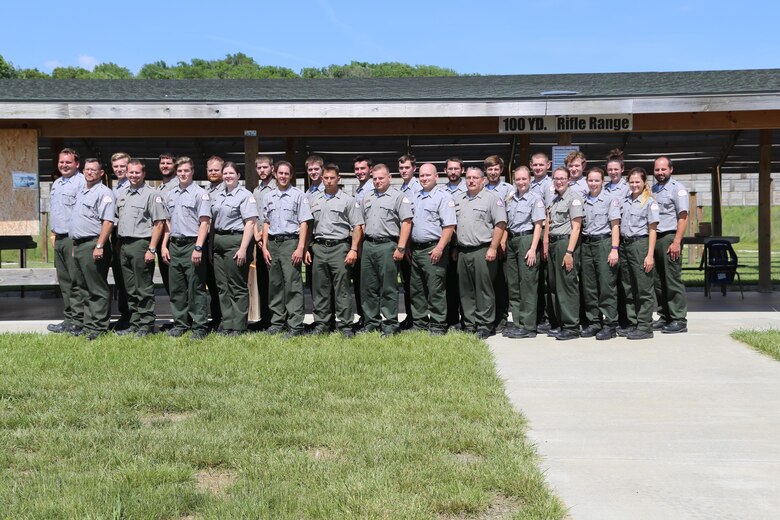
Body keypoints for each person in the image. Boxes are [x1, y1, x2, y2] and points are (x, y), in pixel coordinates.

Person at [305, 163, 364, 337]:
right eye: (326, 178)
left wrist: (353, 249)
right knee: (320, 288)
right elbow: (309, 226)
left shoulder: (348, 200)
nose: (329, 181)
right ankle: (323, 323)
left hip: (340, 247)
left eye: (332, 178)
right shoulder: (314, 200)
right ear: (321, 179)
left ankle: (345, 324)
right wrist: (307, 248)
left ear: (339, 179)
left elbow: (357, 226)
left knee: (342, 288)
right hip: (319, 247)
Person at [114, 159, 168, 337]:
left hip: (141, 244)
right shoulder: (123, 194)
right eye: (131, 172)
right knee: (130, 288)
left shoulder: (152, 194)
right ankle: (134, 323)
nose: (133, 175)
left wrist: (151, 249)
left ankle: (146, 324)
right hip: (124, 245)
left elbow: (159, 223)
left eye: (137, 172)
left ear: (144, 174)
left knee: (143, 287)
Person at [359, 163, 413, 336]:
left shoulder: (398, 196)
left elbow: (406, 222)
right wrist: (359, 247)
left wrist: (401, 247)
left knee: (388, 287)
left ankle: (390, 325)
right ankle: (371, 323)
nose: (377, 181)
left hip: (388, 246)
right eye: (374, 178)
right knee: (368, 287)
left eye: (381, 178)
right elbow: (361, 224)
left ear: (389, 177)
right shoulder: (367, 197)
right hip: (369, 245)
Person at [161, 156, 211, 340]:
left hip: (192, 244)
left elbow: (204, 223)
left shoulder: (200, 194)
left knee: (195, 287)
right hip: (175, 245)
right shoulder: (170, 194)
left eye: (186, 171)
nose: (183, 174)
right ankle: (180, 324)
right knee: (177, 288)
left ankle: (199, 326)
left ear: (192, 172)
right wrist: (164, 245)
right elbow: (167, 222)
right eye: (180, 171)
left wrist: (198, 247)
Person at [453, 166, 507, 339]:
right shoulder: (458, 199)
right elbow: (454, 226)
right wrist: (455, 247)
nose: (471, 180)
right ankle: (469, 323)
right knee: (466, 290)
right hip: (463, 251)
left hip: (483, 250)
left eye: (475, 178)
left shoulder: (492, 199)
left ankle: (485, 325)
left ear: (483, 180)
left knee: (484, 290)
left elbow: (500, 224)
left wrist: (493, 247)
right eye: (468, 177)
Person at [260, 160, 312, 337]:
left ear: (291, 175)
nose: (283, 176)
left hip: (291, 243)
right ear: (275, 173)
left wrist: (300, 247)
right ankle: (277, 322)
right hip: (273, 244)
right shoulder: (268, 196)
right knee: (275, 285)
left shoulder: (299, 195)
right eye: (280, 173)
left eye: (286, 173)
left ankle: (295, 325)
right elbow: (266, 222)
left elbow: (304, 222)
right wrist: (264, 247)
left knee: (292, 285)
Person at [69, 158, 116, 340]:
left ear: (101, 173)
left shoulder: (104, 193)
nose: (89, 172)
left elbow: (108, 222)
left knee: (97, 287)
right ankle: (88, 324)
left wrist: (99, 245)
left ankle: (99, 326)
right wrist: (75, 245)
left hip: (93, 244)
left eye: (93, 170)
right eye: (87, 170)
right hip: (80, 245)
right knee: (84, 286)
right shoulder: (82, 192)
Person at [211, 161, 258, 336]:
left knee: (237, 285)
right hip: (218, 241)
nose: (228, 176)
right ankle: (228, 323)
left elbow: (250, 223)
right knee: (222, 286)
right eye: (225, 173)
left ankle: (239, 326)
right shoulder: (218, 195)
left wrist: (243, 248)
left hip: (235, 241)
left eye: (231, 173)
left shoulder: (245, 196)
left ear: (238, 176)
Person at [409, 163, 456, 335]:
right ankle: (420, 323)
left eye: (428, 175)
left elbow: (449, 225)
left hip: (434, 249)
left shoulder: (443, 197)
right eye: (421, 175)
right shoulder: (416, 196)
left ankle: (438, 325)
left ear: (436, 177)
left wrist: (440, 248)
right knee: (417, 289)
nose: (424, 178)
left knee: (435, 289)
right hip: (416, 250)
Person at [502, 166, 545, 339]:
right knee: (513, 284)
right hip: (513, 240)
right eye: (517, 179)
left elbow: (538, 225)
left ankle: (528, 326)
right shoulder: (511, 198)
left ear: (530, 179)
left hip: (527, 240)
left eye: (524, 179)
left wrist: (533, 248)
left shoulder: (535, 199)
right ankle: (518, 322)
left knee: (527, 283)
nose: (521, 182)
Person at [47, 148, 86, 334]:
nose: (64, 165)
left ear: (76, 164)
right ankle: (69, 318)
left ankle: (79, 321)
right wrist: (53, 235)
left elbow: (82, 214)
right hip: (60, 238)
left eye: (68, 162)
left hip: (73, 239)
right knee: (64, 281)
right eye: (61, 162)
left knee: (76, 280)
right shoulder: (57, 184)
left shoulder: (82, 183)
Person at [580, 167, 622, 340]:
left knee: (606, 285)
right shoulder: (583, 200)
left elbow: (615, 226)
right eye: (590, 180)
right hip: (587, 244)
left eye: (597, 180)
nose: (593, 183)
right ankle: (594, 322)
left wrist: (614, 249)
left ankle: (610, 324)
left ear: (602, 181)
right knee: (589, 286)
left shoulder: (610, 200)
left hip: (604, 243)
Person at [620, 167, 660, 340]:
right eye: (632, 181)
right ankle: (633, 322)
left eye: (638, 182)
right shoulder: (625, 201)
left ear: (644, 183)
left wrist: (650, 254)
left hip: (640, 245)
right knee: (628, 287)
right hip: (625, 245)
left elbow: (653, 230)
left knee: (643, 287)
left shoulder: (650, 202)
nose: (634, 185)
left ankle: (645, 326)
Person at [545, 166, 583, 341]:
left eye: (562, 178)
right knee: (554, 285)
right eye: (556, 178)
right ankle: (561, 323)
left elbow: (576, 228)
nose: (558, 181)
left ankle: (571, 326)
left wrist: (569, 252)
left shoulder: (573, 199)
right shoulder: (554, 200)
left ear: (569, 180)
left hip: (564, 244)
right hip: (554, 244)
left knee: (567, 285)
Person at [651, 156, 689, 334]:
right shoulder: (653, 189)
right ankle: (664, 315)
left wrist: (676, 241)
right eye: (657, 170)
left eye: (663, 169)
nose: (660, 173)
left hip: (669, 237)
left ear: (671, 170)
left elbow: (683, 217)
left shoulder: (678, 189)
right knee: (658, 280)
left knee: (672, 279)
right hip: (655, 238)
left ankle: (679, 319)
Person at [483, 155, 511, 331]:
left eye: (496, 169)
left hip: (502, 240)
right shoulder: (481, 188)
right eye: (489, 169)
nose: (492, 172)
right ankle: (489, 316)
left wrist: (502, 241)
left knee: (501, 281)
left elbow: (507, 218)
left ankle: (502, 317)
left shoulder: (508, 189)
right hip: (486, 240)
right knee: (488, 281)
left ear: (501, 170)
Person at [529, 152, 555, 331]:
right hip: (532, 234)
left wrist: (545, 240)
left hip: (544, 234)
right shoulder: (529, 184)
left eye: (541, 165)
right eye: (535, 165)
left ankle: (547, 317)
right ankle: (537, 315)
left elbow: (549, 213)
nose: (538, 167)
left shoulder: (550, 185)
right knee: (534, 278)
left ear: (548, 165)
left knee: (546, 279)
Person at [252, 154, 277, 330]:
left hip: (273, 240)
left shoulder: (278, 188)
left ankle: (277, 319)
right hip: (259, 242)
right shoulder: (256, 191)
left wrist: (264, 236)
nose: (262, 170)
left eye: (265, 167)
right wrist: (256, 236)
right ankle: (265, 318)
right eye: (259, 168)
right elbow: (254, 216)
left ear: (272, 168)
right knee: (262, 281)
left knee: (275, 282)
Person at [443, 157, 466, 328]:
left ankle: (467, 319)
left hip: (463, 242)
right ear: (445, 171)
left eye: (456, 169)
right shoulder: (441, 191)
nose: (453, 172)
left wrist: (457, 245)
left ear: (462, 170)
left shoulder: (469, 188)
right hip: (446, 243)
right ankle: (452, 319)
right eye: (450, 169)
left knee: (464, 283)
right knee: (449, 283)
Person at [397, 154, 420, 329]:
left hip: (412, 244)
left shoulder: (418, 188)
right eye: (401, 168)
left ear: (414, 168)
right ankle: (410, 317)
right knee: (407, 283)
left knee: (415, 284)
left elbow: (414, 219)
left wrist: (408, 245)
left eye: (407, 167)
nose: (404, 171)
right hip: (404, 243)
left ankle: (418, 318)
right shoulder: (402, 189)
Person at [109, 152, 131, 329]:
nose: (119, 170)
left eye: (122, 166)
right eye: (115, 167)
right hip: (116, 236)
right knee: (120, 279)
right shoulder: (115, 189)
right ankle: (125, 315)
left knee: (131, 280)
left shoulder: (133, 187)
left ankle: (134, 316)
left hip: (129, 237)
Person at [351, 155, 374, 329]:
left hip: (369, 240)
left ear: (370, 170)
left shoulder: (373, 188)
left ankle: (372, 318)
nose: (359, 172)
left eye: (363, 168)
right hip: (359, 241)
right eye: (357, 169)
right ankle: (364, 316)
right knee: (361, 282)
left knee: (370, 283)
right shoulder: (359, 190)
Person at [205, 155, 225, 330]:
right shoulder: (205, 191)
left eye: (216, 170)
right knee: (211, 282)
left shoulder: (227, 189)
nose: (212, 173)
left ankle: (225, 318)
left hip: (219, 240)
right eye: (210, 170)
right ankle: (215, 317)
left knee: (222, 282)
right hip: (206, 242)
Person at [155, 152, 178, 296]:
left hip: (174, 239)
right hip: (160, 237)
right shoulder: (158, 189)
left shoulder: (178, 186)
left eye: (168, 163)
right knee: (167, 280)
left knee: (177, 280)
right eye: (162, 163)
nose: (165, 166)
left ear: (175, 165)